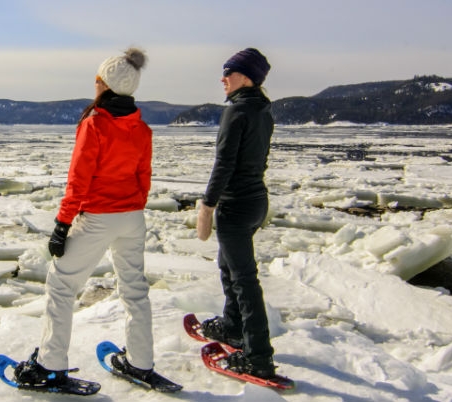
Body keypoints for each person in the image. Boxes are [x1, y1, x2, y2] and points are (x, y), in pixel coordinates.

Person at [14, 47, 181, 393]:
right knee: (135, 290)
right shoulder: (142, 129)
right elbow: (144, 179)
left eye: (97, 80)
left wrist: (62, 225)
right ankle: (140, 361)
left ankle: (49, 365)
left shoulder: (95, 125)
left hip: (99, 217)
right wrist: (131, 209)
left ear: (103, 84)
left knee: (61, 285)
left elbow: (79, 180)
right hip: (132, 218)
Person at [195, 48, 277, 379]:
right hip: (256, 201)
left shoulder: (236, 113)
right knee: (228, 265)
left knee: (244, 279)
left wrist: (207, 205)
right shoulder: (263, 112)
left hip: (236, 205)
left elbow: (224, 164)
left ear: (244, 78)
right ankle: (232, 326)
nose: (223, 79)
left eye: (228, 73)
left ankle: (258, 356)